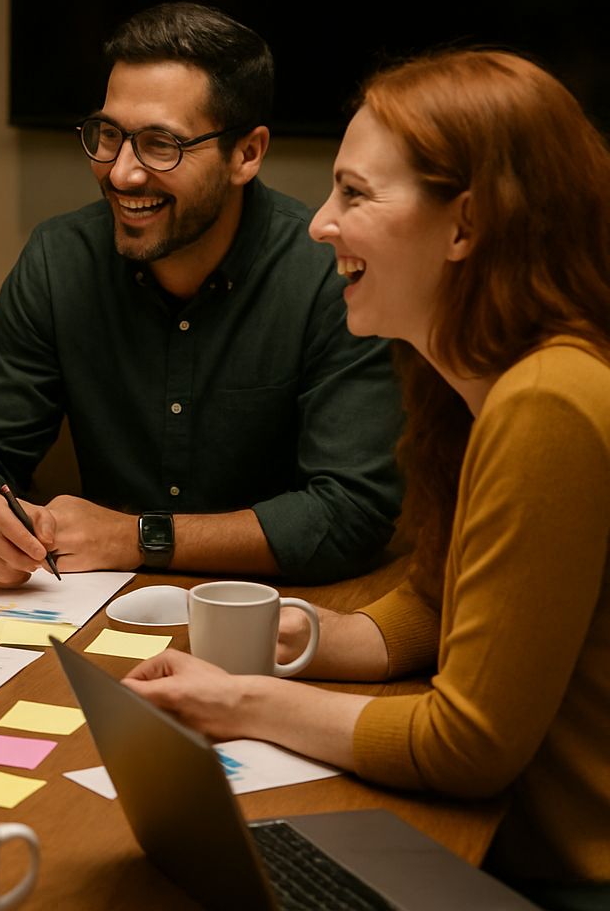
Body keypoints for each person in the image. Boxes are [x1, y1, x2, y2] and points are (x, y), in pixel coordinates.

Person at [125, 50, 610, 908]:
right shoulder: (473, 377)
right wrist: (299, 637)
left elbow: (470, 745)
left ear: (465, 226)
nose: (318, 223)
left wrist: (241, 702)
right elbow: (437, 602)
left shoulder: (550, 402)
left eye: (354, 193)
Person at [0, 2, 403, 588]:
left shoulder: (327, 277)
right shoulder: (60, 260)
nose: (122, 173)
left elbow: (351, 513)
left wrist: (137, 537)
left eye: (160, 144)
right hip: (93, 606)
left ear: (246, 154)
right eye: (108, 135)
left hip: (276, 617)